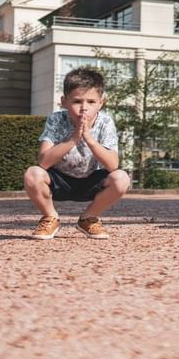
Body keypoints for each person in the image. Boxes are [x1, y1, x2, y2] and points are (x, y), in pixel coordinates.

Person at [23, 67, 131, 240]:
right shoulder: (56, 119)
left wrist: (89, 139)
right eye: (77, 101)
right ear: (64, 101)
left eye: (91, 102)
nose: (84, 108)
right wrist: (74, 138)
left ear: (101, 103)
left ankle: (89, 218)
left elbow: (112, 164)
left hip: (91, 179)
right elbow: (43, 161)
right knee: (32, 174)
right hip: (59, 179)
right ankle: (50, 217)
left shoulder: (105, 122)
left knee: (121, 178)